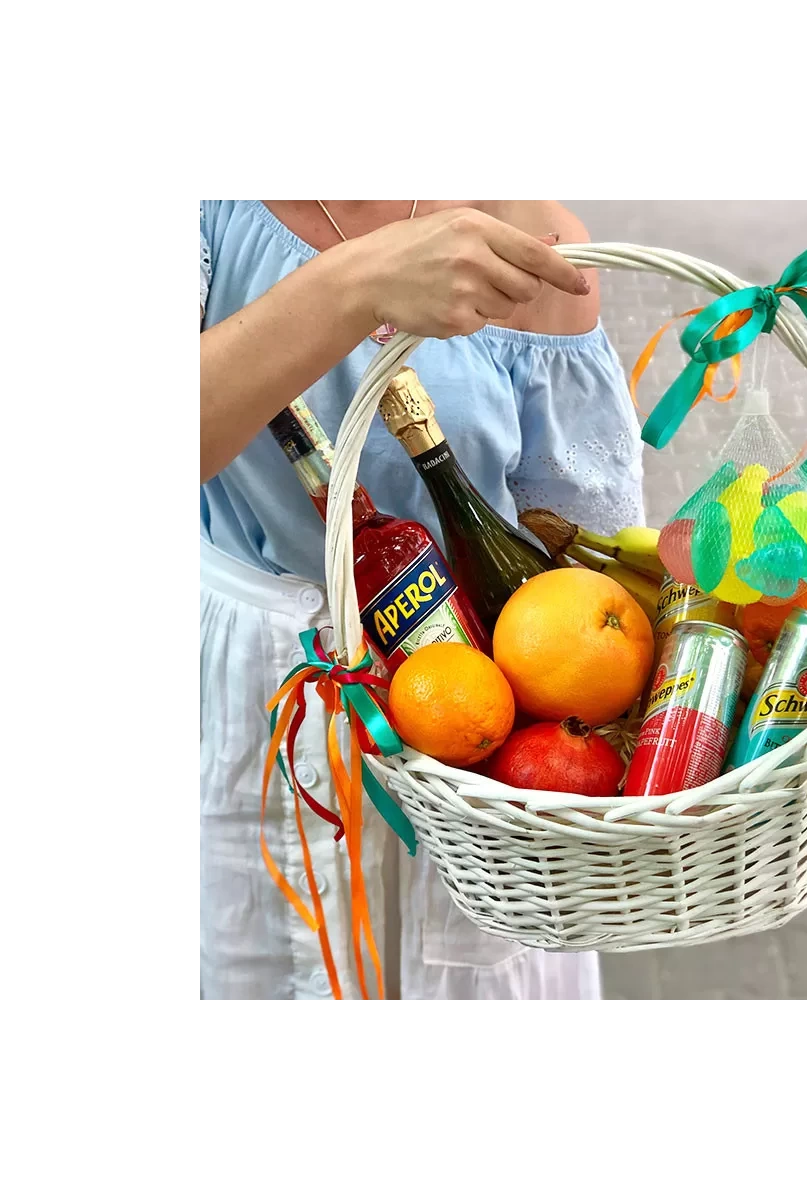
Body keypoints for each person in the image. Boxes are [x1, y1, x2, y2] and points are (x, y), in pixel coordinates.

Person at [200, 200, 645, 1000]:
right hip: (258, 707)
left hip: (479, 733)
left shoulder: (532, 240)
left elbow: (579, 575)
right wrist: (357, 285)